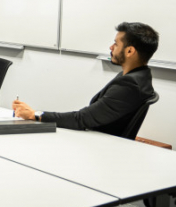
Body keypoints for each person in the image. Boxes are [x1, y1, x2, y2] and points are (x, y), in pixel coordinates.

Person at [13, 22, 158, 136]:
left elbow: (82, 119)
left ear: (130, 51)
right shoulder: (140, 76)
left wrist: (35, 115)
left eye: (116, 44)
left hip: (99, 144)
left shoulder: (130, 84)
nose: (111, 47)